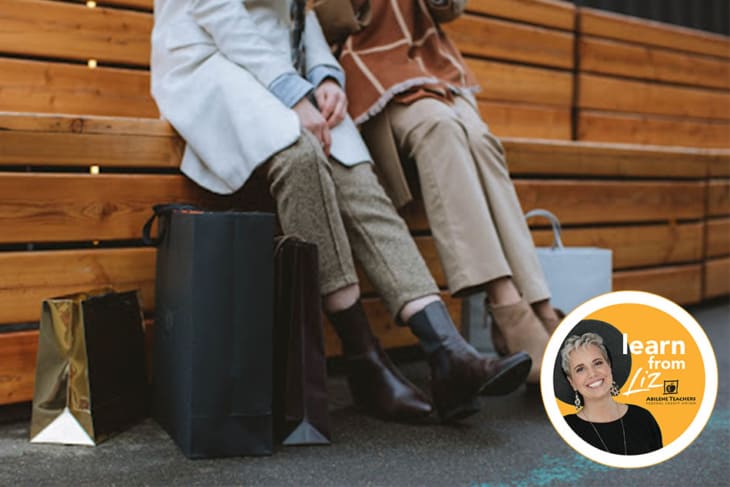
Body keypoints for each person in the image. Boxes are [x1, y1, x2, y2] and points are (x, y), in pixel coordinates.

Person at [150, 0, 531, 423]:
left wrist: (325, 75)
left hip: (273, 68)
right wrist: (293, 93)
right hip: (207, 60)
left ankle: (447, 351)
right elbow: (216, 9)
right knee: (300, 156)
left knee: (357, 175)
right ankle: (363, 360)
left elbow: (300, 12)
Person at [335, 0, 562, 384]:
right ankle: (508, 308)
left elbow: (448, 9)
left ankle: (541, 308)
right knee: (440, 129)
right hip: (366, 73)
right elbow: (325, 17)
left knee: (482, 140)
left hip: (431, 66)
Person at [555, 320, 663, 455]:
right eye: (580, 369)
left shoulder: (643, 418)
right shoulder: (564, 428)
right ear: (572, 382)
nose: (592, 373)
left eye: (598, 363)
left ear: (610, 366)